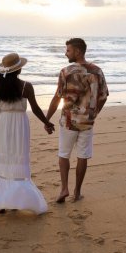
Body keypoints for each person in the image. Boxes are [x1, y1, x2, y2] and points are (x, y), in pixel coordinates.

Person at [0, 52, 54, 215]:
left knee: (3, 162)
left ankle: (1, 202)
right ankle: (14, 200)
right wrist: (46, 122)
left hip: (2, 125)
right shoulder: (26, 86)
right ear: (19, 70)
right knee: (17, 161)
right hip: (19, 126)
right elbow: (35, 108)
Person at [45, 38, 109, 203]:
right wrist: (94, 113)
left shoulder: (66, 71)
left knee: (63, 154)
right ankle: (77, 192)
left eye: (68, 50)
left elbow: (57, 97)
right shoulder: (97, 71)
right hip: (87, 122)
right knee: (83, 156)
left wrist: (47, 119)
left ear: (78, 51)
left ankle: (64, 188)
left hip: (68, 120)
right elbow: (103, 96)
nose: (66, 53)